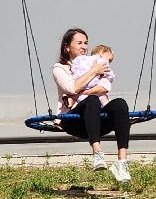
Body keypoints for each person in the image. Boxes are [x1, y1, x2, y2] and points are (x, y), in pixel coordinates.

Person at [52, 28, 134, 183]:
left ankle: (121, 163)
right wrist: (93, 72)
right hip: (74, 120)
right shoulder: (60, 68)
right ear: (67, 47)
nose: (84, 47)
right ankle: (97, 153)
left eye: (86, 43)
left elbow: (105, 86)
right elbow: (71, 87)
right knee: (92, 100)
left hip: (96, 119)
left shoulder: (93, 62)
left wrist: (79, 93)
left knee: (120, 104)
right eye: (79, 43)